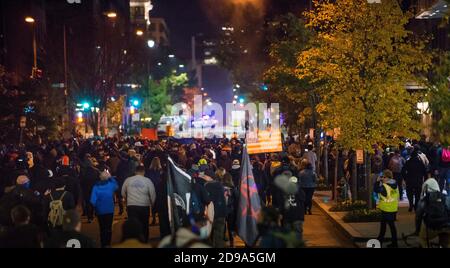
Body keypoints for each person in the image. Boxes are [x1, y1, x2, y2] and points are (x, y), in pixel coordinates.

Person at [121, 165, 156, 243]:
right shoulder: (148, 181)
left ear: (135, 172)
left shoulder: (128, 180)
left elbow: (123, 192)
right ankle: (144, 242)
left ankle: (133, 242)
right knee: (145, 225)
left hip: (132, 206)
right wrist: (152, 204)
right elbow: (152, 194)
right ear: (143, 172)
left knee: (133, 225)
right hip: (144, 206)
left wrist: (127, 199)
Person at [415, 178, 450, 248]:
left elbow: (418, 217)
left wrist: (418, 230)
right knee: (446, 242)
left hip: (432, 227)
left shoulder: (424, 200)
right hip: (446, 226)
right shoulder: (446, 197)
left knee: (422, 239)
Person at [90, 170, 118, 248]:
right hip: (109, 209)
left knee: (102, 228)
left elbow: (92, 200)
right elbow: (116, 185)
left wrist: (97, 206)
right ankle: (108, 243)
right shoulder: (110, 185)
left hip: (100, 210)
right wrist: (111, 177)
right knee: (109, 228)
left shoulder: (96, 186)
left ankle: (103, 243)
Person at [374, 169, 399, 248]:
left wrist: (377, 182)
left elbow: (376, 190)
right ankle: (393, 243)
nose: (382, 178)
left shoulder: (385, 187)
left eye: (383, 177)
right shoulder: (395, 184)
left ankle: (380, 242)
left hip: (386, 209)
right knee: (391, 227)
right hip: (393, 209)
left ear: (387, 177)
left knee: (384, 226)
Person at [201, 171, 226, 248]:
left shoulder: (206, 186)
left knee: (208, 238)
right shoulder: (221, 185)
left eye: (205, 176)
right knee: (219, 237)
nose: (204, 178)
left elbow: (205, 201)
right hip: (221, 214)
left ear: (209, 177)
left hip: (210, 215)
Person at [402, 147, 427, 212]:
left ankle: (410, 205)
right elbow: (425, 172)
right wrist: (425, 179)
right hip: (418, 180)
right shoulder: (420, 163)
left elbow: (403, 170)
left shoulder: (408, 162)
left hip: (409, 180)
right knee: (417, 194)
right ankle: (416, 205)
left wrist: (405, 178)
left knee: (409, 193)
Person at [146, 157, 163, 225]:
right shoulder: (161, 170)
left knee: (153, 205)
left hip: (152, 189)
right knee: (159, 204)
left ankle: (154, 219)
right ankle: (160, 218)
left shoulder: (149, 171)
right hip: (159, 189)